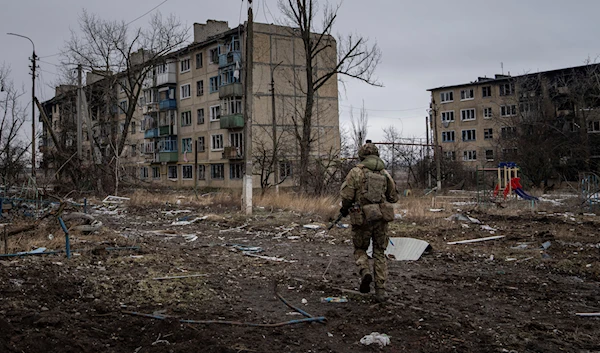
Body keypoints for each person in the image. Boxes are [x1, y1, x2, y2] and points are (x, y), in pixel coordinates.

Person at [339, 142, 398, 302]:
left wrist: (344, 209)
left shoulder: (356, 172)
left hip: (362, 218)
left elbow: (347, 196)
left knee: (360, 249)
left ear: (361, 156)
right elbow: (393, 197)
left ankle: (364, 271)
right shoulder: (385, 173)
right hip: (380, 219)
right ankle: (381, 290)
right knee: (379, 252)